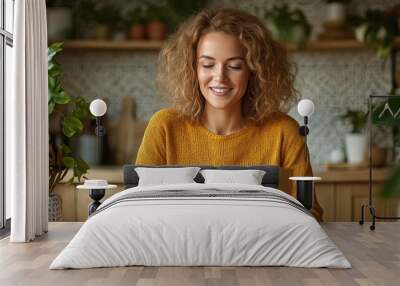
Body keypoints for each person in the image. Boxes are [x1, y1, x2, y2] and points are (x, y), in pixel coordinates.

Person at [135, 8, 323, 221]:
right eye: (208, 65)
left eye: (234, 66)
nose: (220, 77)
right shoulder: (164, 126)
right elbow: (136, 207)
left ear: (254, 70)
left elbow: (310, 213)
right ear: (192, 68)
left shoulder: (284, 131)